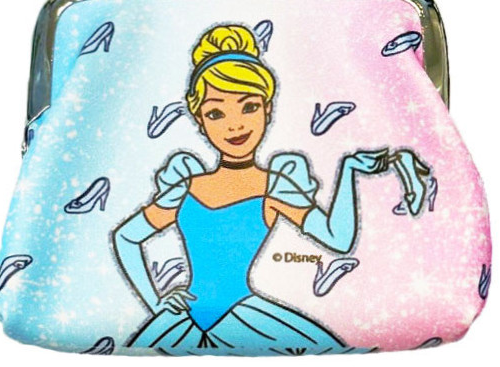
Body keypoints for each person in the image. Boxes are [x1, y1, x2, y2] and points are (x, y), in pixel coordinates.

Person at [112, 24, 432, 355]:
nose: (235, 124)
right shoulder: (185, 188)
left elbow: (338, 239)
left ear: (268, 108)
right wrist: (155, 301)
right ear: (200, 121)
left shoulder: (274, 187)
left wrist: (349, 171)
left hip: (244, 316)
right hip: (182, 320)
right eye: (216, 113)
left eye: (249, 107)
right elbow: (125, 237)